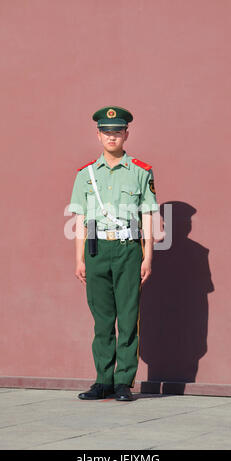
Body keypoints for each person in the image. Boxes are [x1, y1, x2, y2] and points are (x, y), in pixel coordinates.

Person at [68, 106, 159, 401]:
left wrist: (148, 256)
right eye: (106, 132)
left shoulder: (141, 171)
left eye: (117, 131)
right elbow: (80, 219)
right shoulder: (85, 174)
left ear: (126, 134)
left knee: (128, 317)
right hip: (96, 250)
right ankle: (103, 381)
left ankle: (123, 382)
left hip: (128, 249)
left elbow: (148, 215)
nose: (112, 136)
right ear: (98, 135)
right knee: (103, 319)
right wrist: (78, 258)